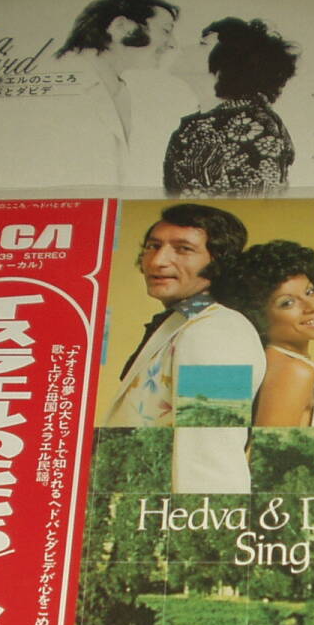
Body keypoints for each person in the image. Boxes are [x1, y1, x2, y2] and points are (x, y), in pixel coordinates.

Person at [102, 204, 266, 493]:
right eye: (153, 246)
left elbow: (211, 457)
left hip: (170, 515)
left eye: (183, 249)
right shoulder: (184, 322)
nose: (158, 261)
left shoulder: (217, 331)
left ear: (219, 261)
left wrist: (200, 522)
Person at [213, 241, 314, 493]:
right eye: (287, 303)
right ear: (258, 316)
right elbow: (274, 487)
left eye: (310, 291)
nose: (312, 306)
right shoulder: (291, 372)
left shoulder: (296, 364)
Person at [56, 0, 195, 182]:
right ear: (121, 27)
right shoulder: (61, 84)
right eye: (166, 30)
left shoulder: (119, 89)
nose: (173, 44)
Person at [163, 18, 298, 196]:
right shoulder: (194, 126)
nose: (184, 48)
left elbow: (255, 202)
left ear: (230, 62)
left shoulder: (254, 125)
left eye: (203, 44)